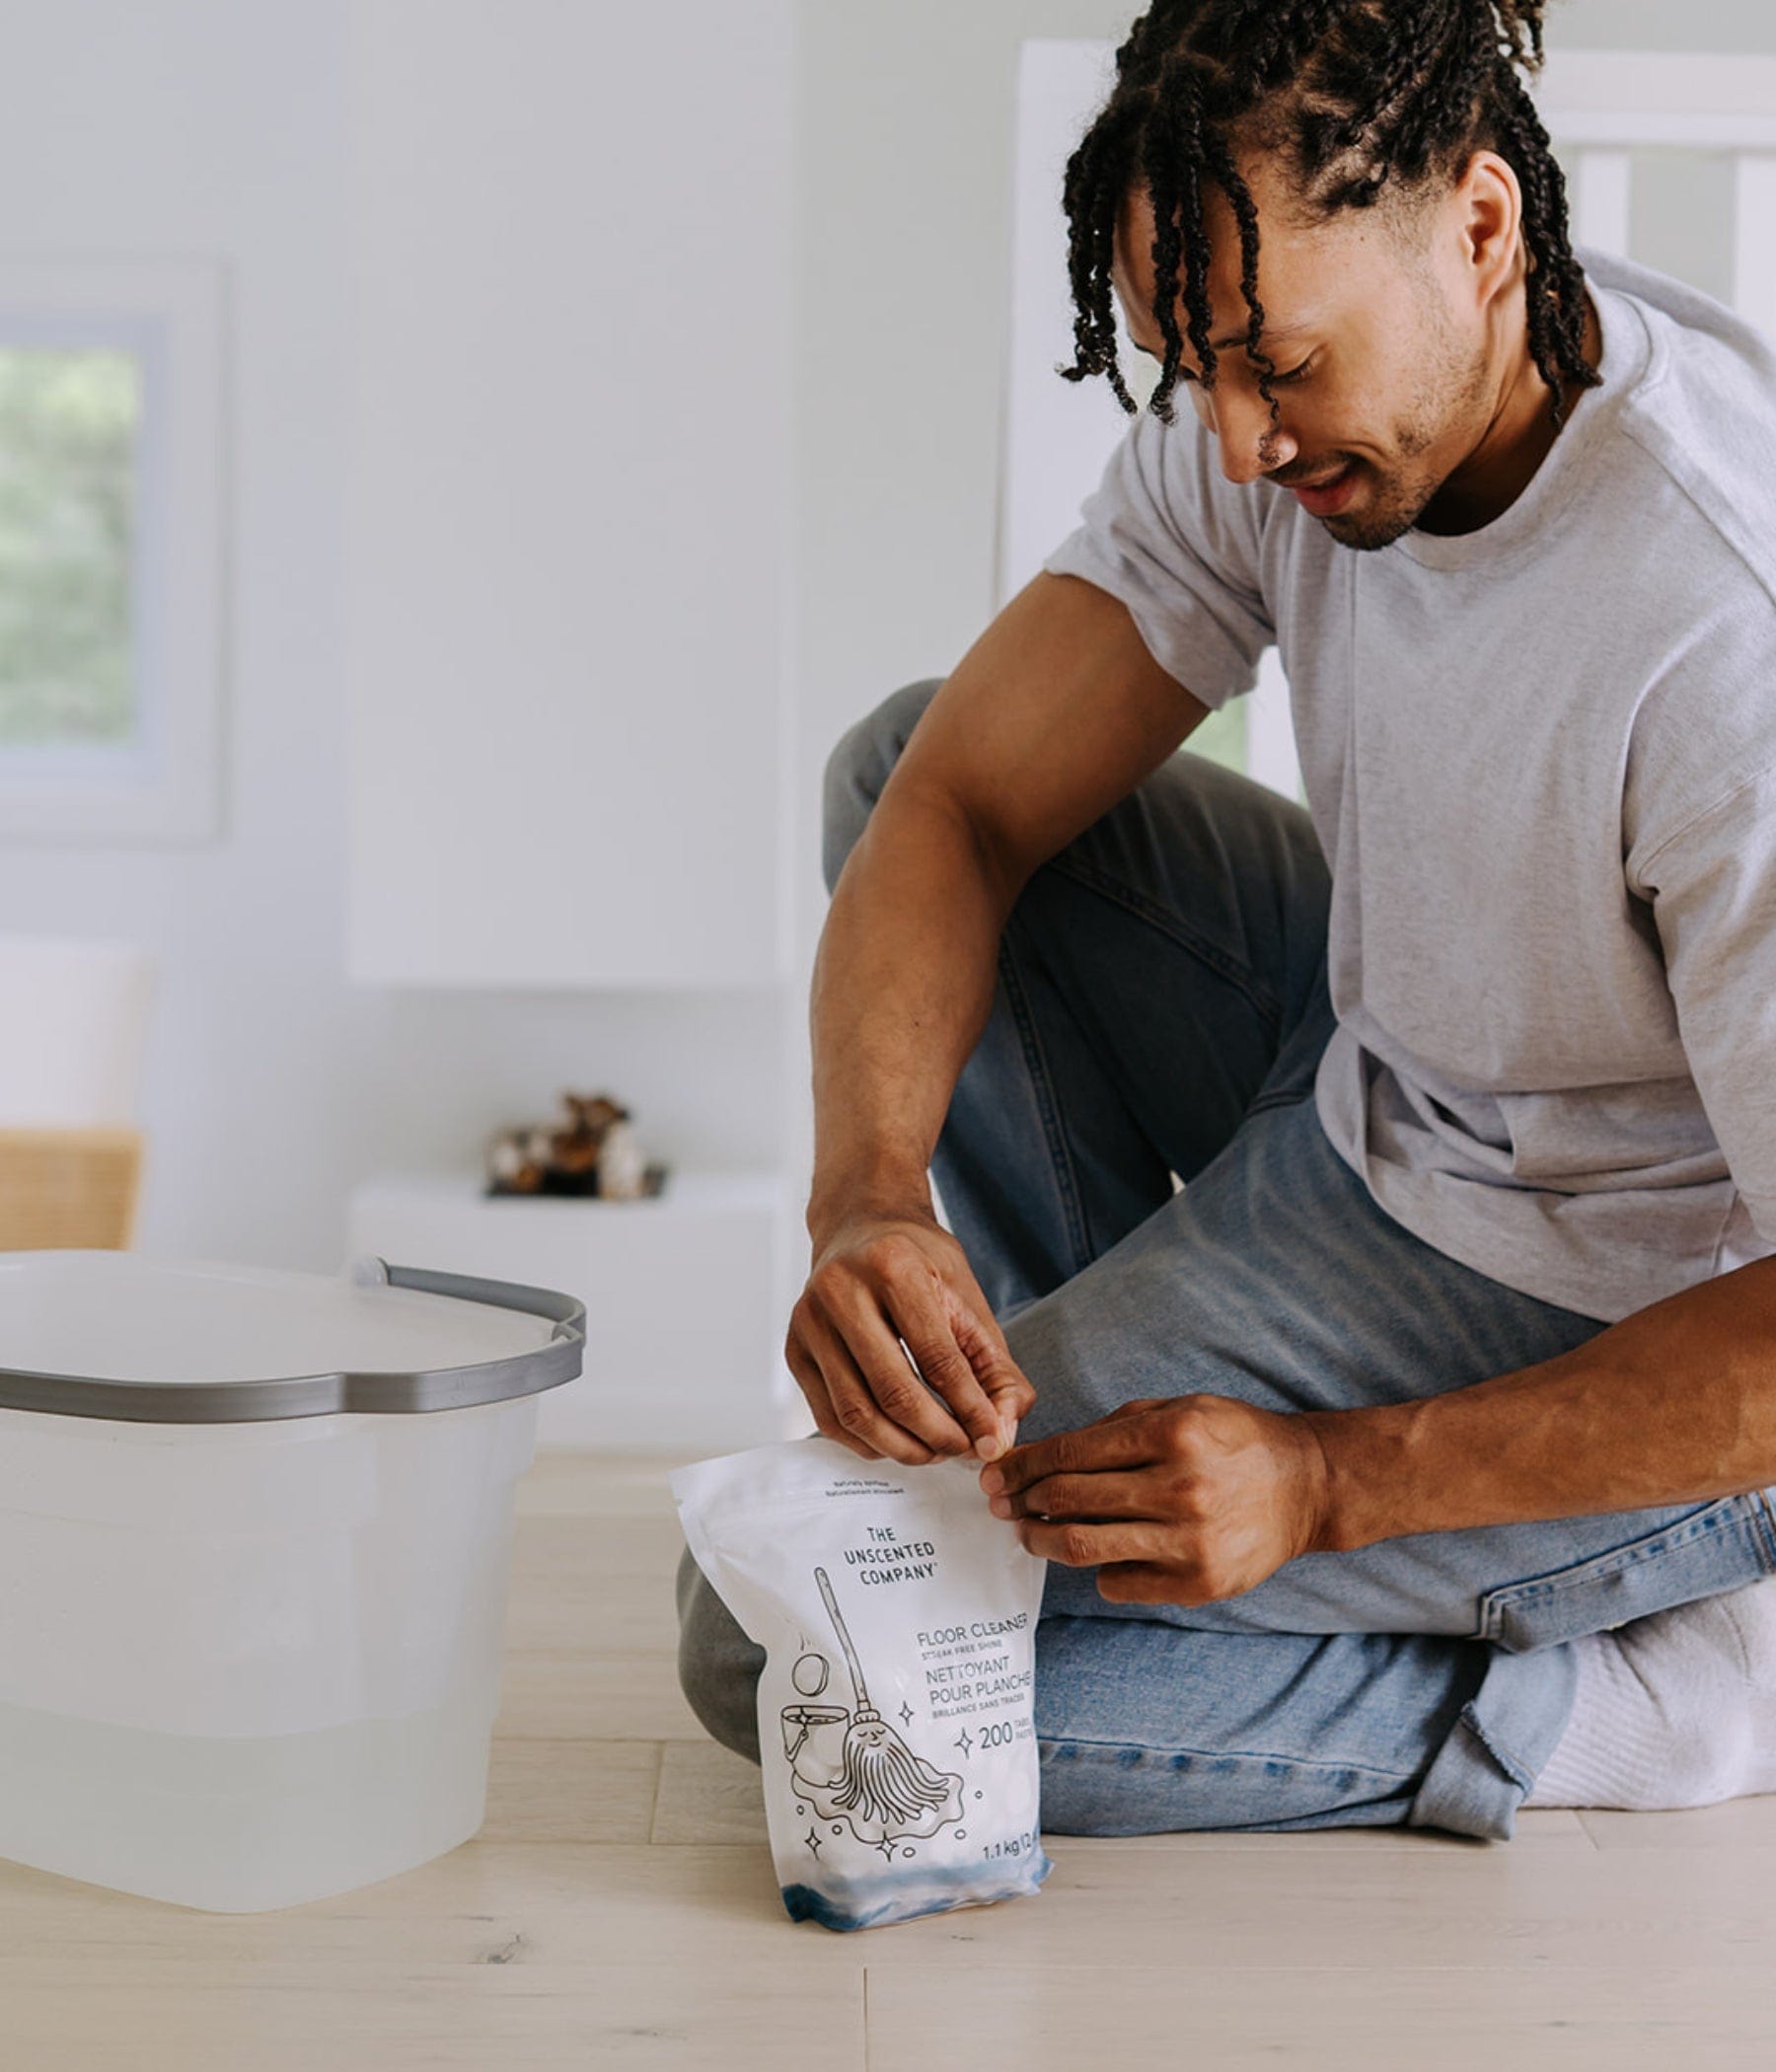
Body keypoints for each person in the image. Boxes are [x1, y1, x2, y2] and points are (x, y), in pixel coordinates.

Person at [677, 0, 1776, 1839]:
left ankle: (1632, 1696)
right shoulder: (1294, 367)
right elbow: (955, 806)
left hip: (1636, 1307)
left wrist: (1331, 1485)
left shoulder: (1720, 634)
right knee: (899, 766)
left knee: (769, 1651)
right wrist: (863, 1195)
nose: (1244, 440)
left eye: (1281, 368)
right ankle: (1128, 1478)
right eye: (1200, 373)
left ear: (1484, 230)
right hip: (1386, 1071)